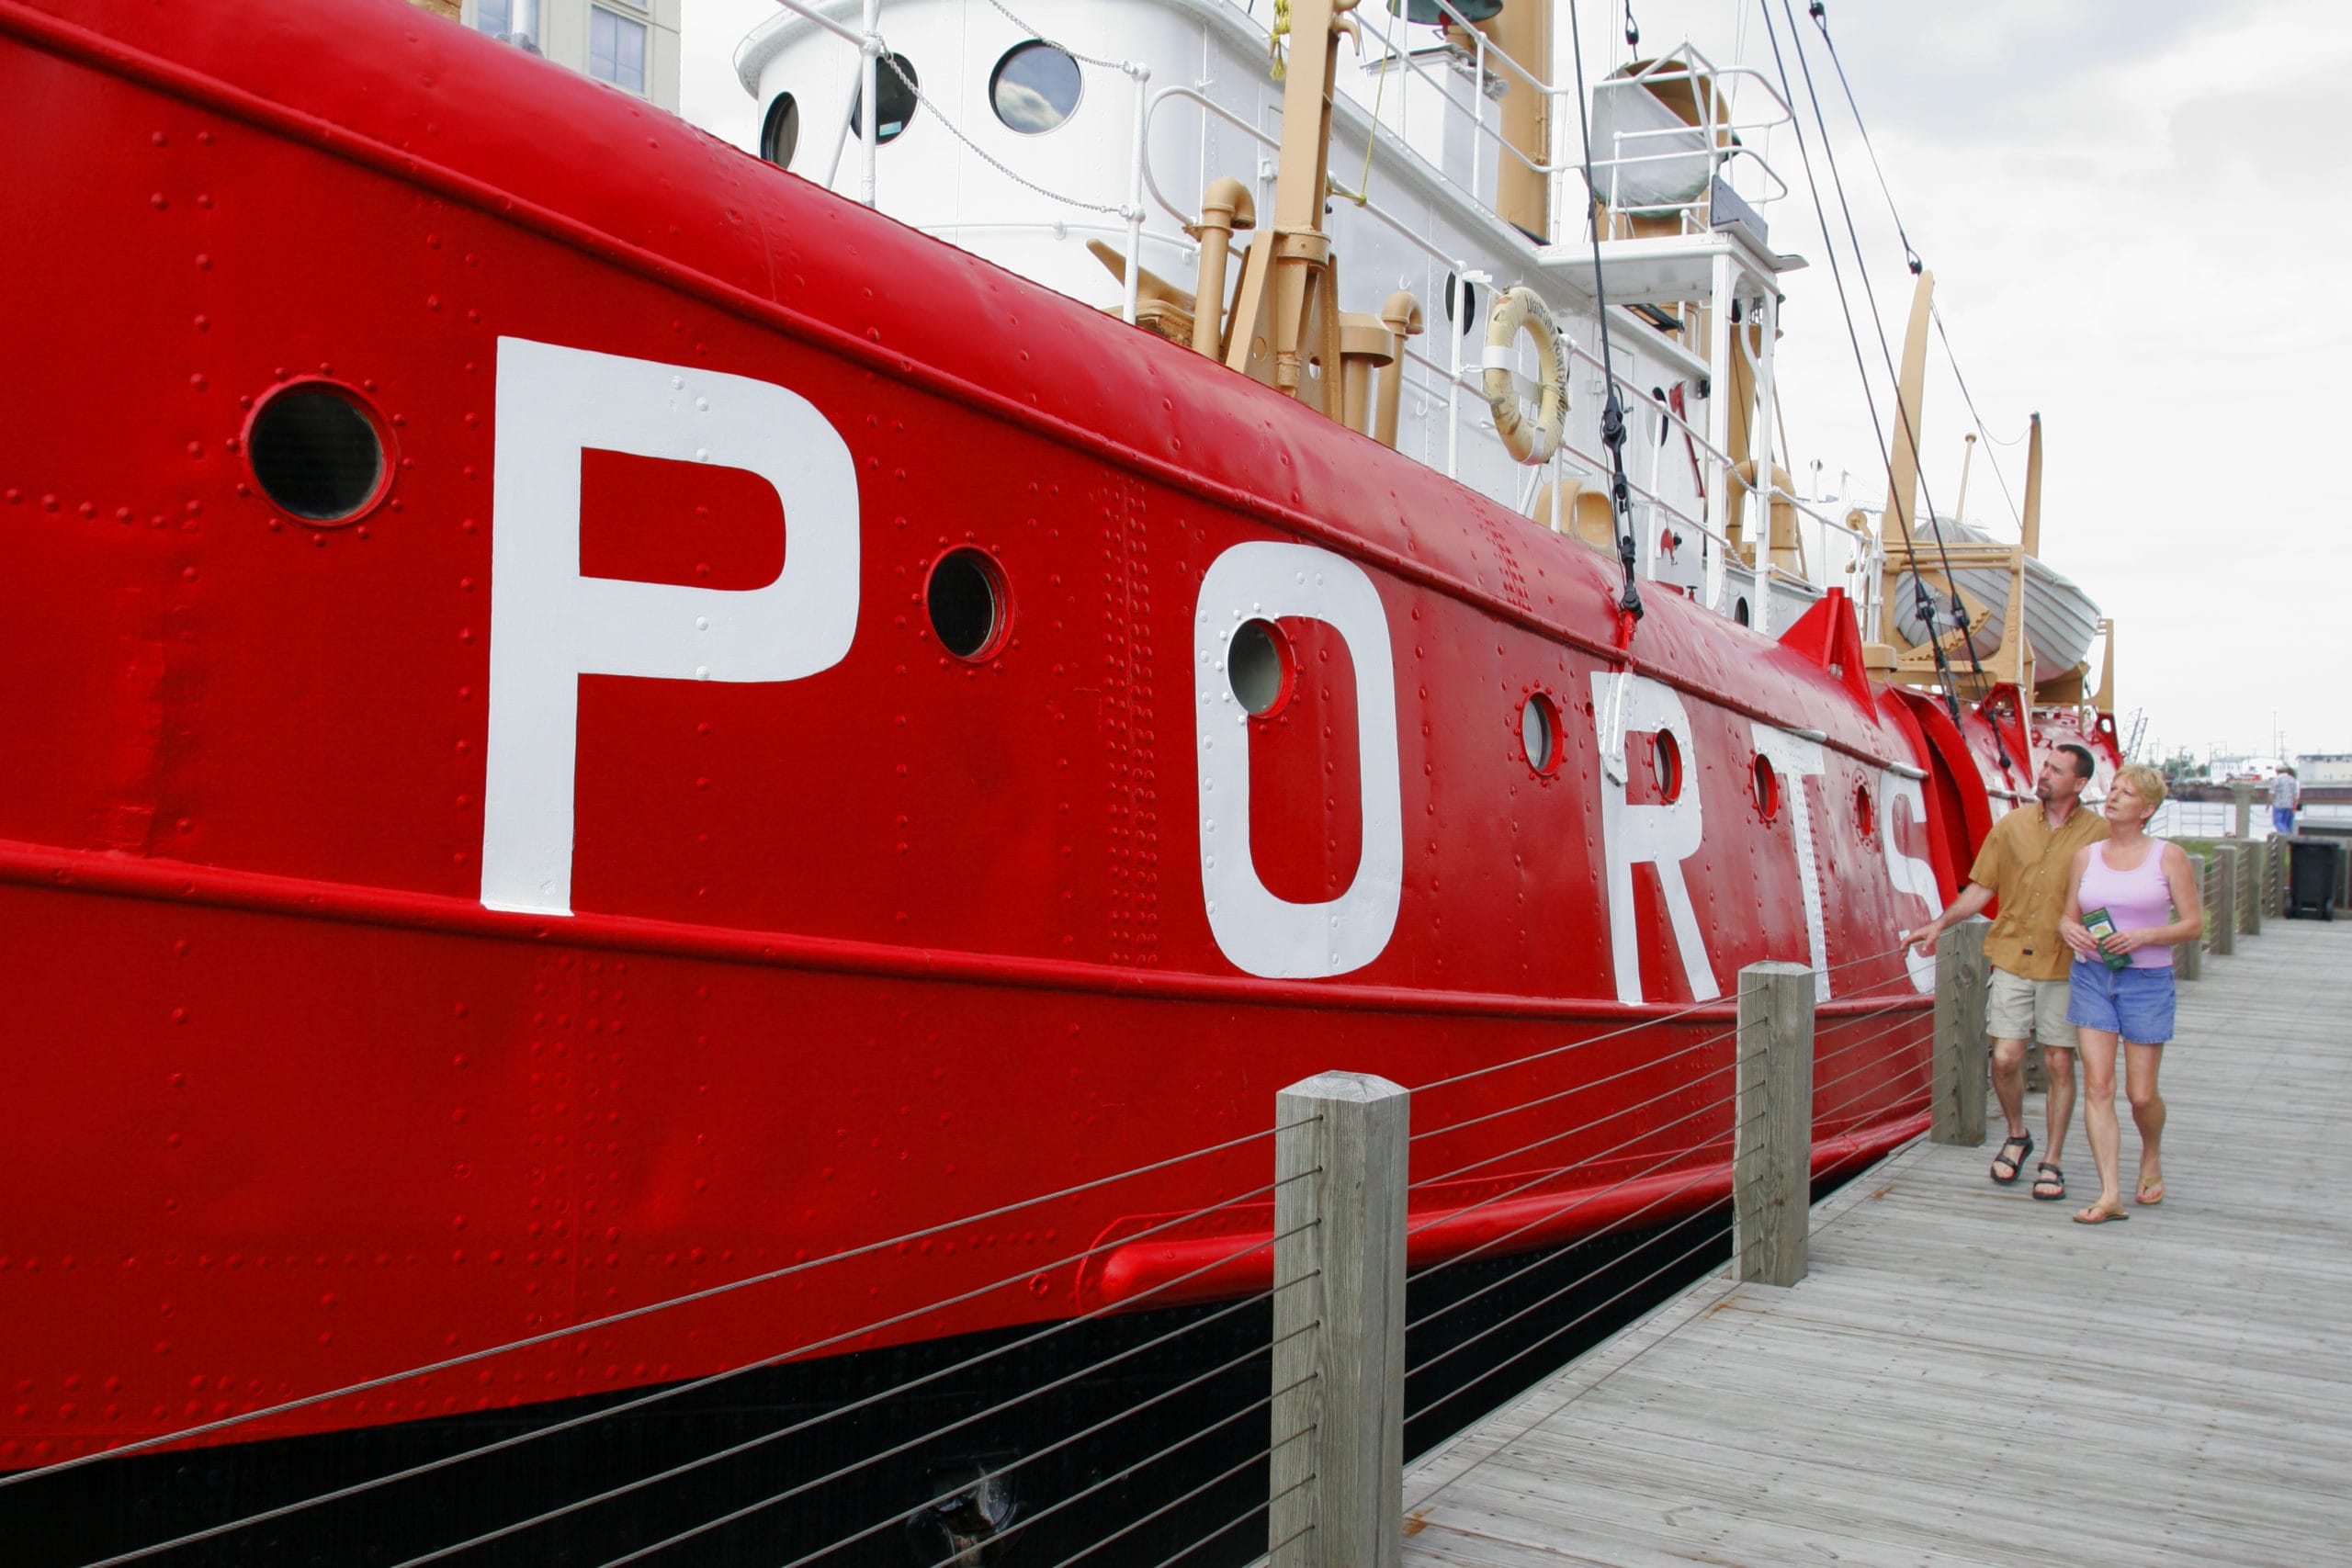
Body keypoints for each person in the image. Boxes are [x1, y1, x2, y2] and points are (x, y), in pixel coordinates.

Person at [1903, 742, 2109, 1203]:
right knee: (2005, 1058)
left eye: (2056, 771)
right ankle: (2017, 1134)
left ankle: (2052, 1159)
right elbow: (1981, 889)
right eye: (2045, 767)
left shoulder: (2099, 835)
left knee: (2058, 1062)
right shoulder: (2012, 826)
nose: (2045, 775)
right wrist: (1939, 924)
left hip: (2066, 965)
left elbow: (2108, 897)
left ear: (2078, 784)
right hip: (2014, 955)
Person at [2058, 762, 2203, 1224]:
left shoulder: (2169, 857)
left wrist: (2144, 937)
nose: (2113, 797)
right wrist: (2070, 933)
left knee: (2141, 1095)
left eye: (2126, 793)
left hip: (2146, 982)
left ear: (2148, 809)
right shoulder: (2086, 856)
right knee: (2099, 1086)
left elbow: (2194, 924)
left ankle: (2152, 1152)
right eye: (2113, 789)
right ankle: (2110, 1193)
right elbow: (2068, 917)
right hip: (2092, 977)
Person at [2272, 765, 2300, 837]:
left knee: (2279, 822)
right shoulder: (2294, 781)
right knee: (2287, 823)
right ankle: (2289, 837)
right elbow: (2296, 795)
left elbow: (2273, 792)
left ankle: (2285, 836)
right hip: (2290, 805)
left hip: (2282, 804)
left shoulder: (2280, 780)